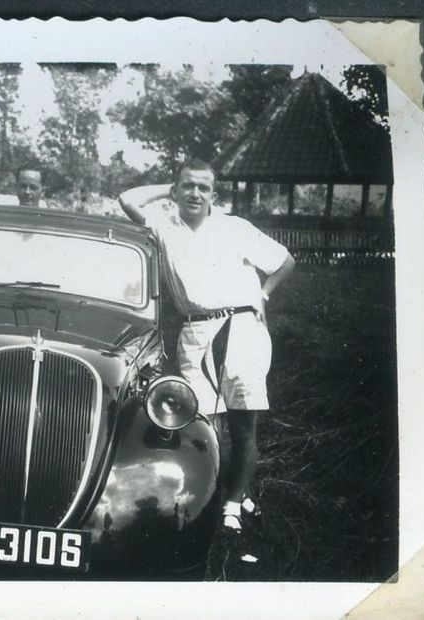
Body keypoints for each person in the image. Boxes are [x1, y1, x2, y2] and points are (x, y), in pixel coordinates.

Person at [118, 160, 295, 532]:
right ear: (176, 191)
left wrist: (263, 294)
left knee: (243, 421)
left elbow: (285, 262)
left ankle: (233, 503)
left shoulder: (235, 228)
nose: (195, 194)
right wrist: (169, 186)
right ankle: (212, 496)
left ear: (215, 195)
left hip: (242, 328)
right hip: (194, 333)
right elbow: (127, 198)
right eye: (187, 187)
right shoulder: (164, 229)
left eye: (203, 188)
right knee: (201, 425)